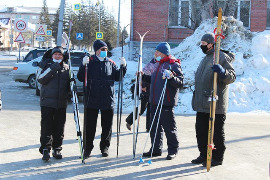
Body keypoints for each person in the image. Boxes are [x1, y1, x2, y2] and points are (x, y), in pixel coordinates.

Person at [191, 33, 236, 167]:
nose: (202, 46)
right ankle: (204, 154)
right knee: (201, 131)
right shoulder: (206, 58)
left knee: (216, 132)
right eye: (202, 44)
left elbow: (232, 77)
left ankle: (217, 157)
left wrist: (223, 72)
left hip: (215, 104)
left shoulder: (221, 57)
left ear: (211, 44)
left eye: (204, 44)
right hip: (202, 102)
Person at [77, 40, 127, 158]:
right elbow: (80, 77)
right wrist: (83, 65)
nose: (105, 51)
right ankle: (87, 149)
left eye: (106, 49)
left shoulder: (110, 63)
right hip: (92, 99)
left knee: (107, 126)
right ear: (96, 50)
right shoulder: (90, 62)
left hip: (107, 98)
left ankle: (105, 147)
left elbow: (118, 77)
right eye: (102, 49)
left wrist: (123, 67)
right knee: (90, 126)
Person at [142, 42, 184, 160]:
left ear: (164, 53)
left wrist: (171, 77)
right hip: (154, 101)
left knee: (169, 128)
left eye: (157, 52)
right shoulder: (157, 64)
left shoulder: (173, 64)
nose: (155, 54)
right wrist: (143, 77)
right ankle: (155, 149)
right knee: (154, 127)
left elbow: (180, 82)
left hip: (166, 101)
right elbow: (154, 80)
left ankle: (172, 150)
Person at [37, 46, 70, 161]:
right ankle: (45, 149)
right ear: (52, 56)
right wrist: (52, 69)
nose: (58, 56)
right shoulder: (45, 65)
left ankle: (57, 148)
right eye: (55, 54)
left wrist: (72, 86)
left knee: (59, 127)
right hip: (47, 103)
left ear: (63, 57)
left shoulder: (66, 68)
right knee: (47, 127)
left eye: (60, 55)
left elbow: (68, 86)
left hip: (61, 103)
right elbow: (40, 79)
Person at [125, 60, 156, 132]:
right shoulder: (150, 65)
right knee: (141, 108)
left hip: (152, 90)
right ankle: (129, 121)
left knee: (150, 109)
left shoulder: (159, 65)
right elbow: (141, 76)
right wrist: (143, 86)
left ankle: (149, 127)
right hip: (145, 90)